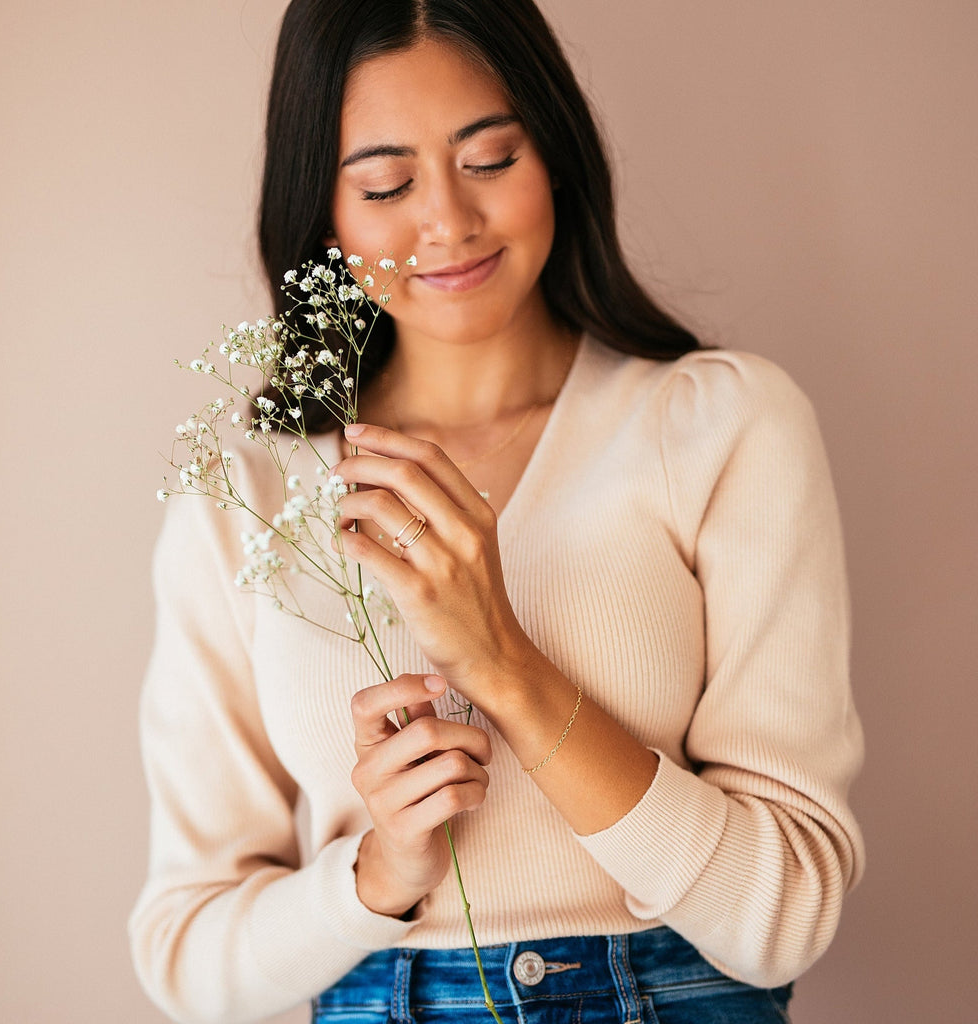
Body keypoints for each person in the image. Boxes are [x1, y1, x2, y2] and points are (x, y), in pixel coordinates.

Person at [130, 1, 865, 1021]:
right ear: (323, 212)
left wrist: (503, 663)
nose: (448, 222)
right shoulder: (246, 500)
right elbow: (184, 957)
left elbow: (782, 915)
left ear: (555, 155)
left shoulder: (724, 425)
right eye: (386, 183)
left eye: (489, 159)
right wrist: (376, 873)